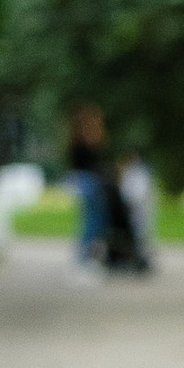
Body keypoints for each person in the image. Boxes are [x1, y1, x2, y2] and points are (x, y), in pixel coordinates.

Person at [66, 105, 108, 264]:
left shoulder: (76, 140)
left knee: (93, 219)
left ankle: (86, 255)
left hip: (86, 182)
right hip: (89, 182)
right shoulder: (85, 142)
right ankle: (83, 256)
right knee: (92, 220)